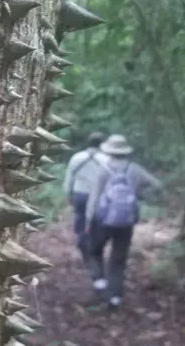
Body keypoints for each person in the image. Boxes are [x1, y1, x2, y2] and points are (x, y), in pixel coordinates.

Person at [84, 134, 162, 309]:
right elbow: (157, 185)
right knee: (118, 258)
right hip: (126, 221)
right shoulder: (135, 169)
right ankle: (115, 297)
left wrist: (89, 219)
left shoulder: (104, 170)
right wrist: (138, 195)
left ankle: (100, 284)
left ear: (109, 151)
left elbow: (94, 197)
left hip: (102, 220)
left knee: (94, 250)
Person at [63, 131, 108, 265]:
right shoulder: (106, 159)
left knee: (80, 223)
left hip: (79, 194)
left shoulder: (77, 157)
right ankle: (95, 253)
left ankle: (84, 253)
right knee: (97, 225)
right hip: (99, 196)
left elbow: (69, 178)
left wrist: (68, 194)